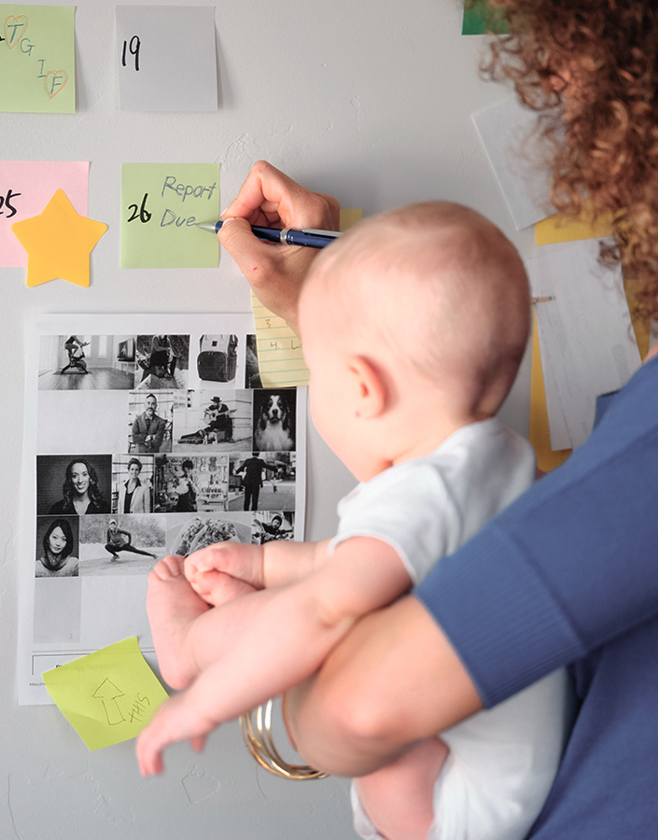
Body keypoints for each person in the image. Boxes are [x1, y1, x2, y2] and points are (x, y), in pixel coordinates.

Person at [208, 2, 658, 837]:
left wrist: (240, 664)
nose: (549, 87)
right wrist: (334, 320)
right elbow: (488, 536)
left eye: (575, 58)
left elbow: (366, 704)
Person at [138, 203, 569, 840]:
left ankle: (192, 651)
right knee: (344, 606)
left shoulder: (422, 492)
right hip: (510, 773)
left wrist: (207, 701)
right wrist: (261, 565)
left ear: (363, 389)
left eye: (318, 377)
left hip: (449, 803)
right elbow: (350, 561)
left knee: (326, 626)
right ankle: (229, 619)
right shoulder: (494, 457)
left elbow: (324, 607)